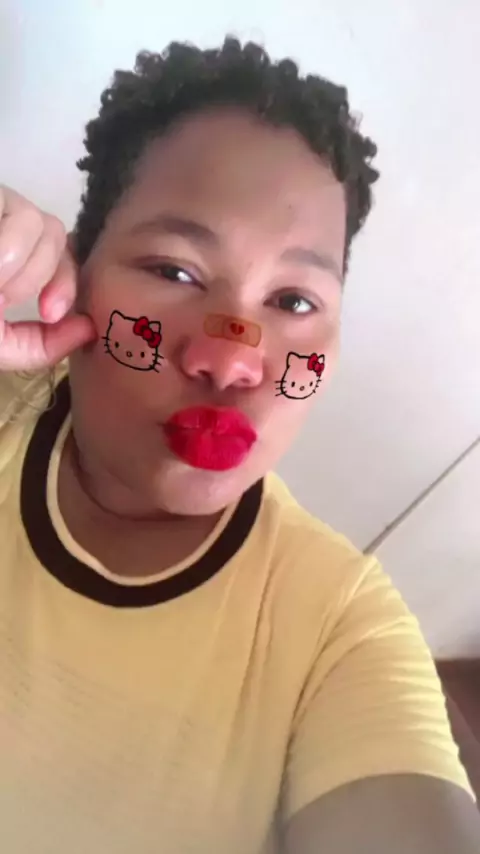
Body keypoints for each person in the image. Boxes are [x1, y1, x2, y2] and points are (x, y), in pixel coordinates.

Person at [0, 37, 478, 854]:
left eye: (294, 300)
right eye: (175, 271)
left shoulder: (339, 632)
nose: (230, 361)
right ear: (76, 275)